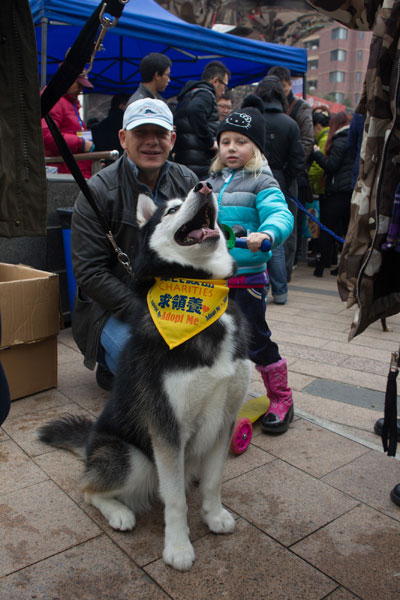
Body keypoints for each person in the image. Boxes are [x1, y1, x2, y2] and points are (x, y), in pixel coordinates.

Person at [70, 99, 198, 391]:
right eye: (141, 133)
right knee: (152, 375)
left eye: (160, 133)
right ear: (123, 138)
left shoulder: (187, 180)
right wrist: (143, 312)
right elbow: (89, 272)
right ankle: (110, 361)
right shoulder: (98, 191)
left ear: (173, 139)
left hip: (172, 300)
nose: (152, 142)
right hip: (110, 308)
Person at [207, 102, 295, 434]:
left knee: (255, 341)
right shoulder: (212, 180)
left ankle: (281, 398)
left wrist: (267, 233)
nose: (232, 147)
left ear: (255, 146)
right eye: (226, 140)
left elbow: (280, 214)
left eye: (241, 141)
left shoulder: (262, 181)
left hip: (247, 281)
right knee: (216, 342)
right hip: (214, 279)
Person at [255, 76, 304, 304]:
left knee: (256, 232)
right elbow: (298, 160)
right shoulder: (290, 123)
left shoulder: (254, 120)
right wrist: (286, 177)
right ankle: (281, 292)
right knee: (277, 237)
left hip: (254, 179)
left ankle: (260, 289)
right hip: (283, 182)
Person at [268, 65, 314, 280]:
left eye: (283, 86)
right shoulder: (262, 107)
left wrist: (289, 172)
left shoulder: (300, 107)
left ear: (288, 85)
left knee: (287, 227)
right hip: (264, 174)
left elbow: (307, 142)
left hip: (289, 177)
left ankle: (283, 275)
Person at [310, 111, 353, 277]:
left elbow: (331, 166)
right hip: (349, 192)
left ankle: (320, 266)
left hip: (336, 193)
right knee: (345, 231)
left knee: (326, 229)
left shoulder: (339, 141)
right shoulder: (352, 141)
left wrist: (317, 154)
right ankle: (343, 267)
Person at [174, 60, 231, 178]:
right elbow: (195, 110)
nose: (223, 91)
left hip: (185, 162)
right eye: (224, 85)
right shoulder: (205, 94)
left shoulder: (188, 95)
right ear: (215, 81)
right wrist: (210, 143)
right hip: (199, 165)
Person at [41, 71, 95, 179]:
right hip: (65, 175)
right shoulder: (54, 100)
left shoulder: (70, 103)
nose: (80, 90)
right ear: (66, 80)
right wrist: (81, 143)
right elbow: (46, 136)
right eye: (79, 85)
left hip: (74, 172)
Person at [92, 92, 130, 158]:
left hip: (104, 158)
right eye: (128, 106)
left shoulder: (102, 124)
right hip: (119, 158)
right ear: (121, 106)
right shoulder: (124, 123)